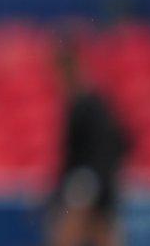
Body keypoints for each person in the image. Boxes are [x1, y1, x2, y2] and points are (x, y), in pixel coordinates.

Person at [46, 42, 130, 246]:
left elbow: (114, 143)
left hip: (87, 183)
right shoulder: (86, 102)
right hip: (97, 181)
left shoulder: (87, 103)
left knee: (67, 235)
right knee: (101, 234)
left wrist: (96, 177)